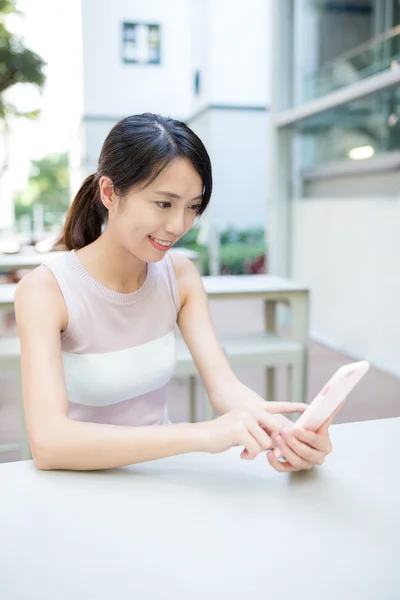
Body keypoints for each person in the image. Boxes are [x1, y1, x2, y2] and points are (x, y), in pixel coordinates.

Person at [15, 113, 333, 472]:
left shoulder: (179, 276)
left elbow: (225, 388)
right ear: (108, 192)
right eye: (164, 204)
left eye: (193, 207)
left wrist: (283, 436)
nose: (179, 225)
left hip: (161, 477)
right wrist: (201, 436)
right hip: (76, 483)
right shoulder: (45, 290)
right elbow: (50, 442)